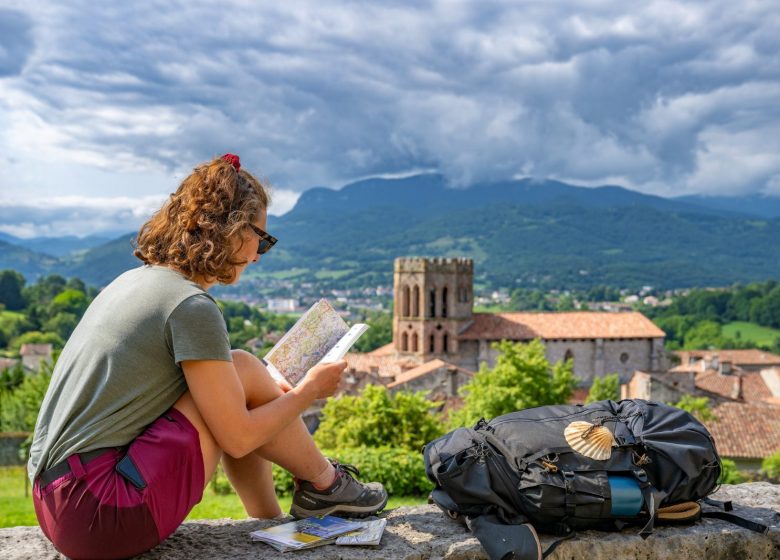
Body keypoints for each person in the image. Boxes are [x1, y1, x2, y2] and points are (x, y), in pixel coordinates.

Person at [27, 154, 388, 560]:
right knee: (244, 374)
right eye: (262, 239)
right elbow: (237, 437)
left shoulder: (135, 282)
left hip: (60, 503)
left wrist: (273, 395)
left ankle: (275, 517)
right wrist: (307, 392)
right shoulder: (190, 306)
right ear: (232, 230)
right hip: (105, 512)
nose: (258, 255)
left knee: (243, 375)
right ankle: (327, 486)